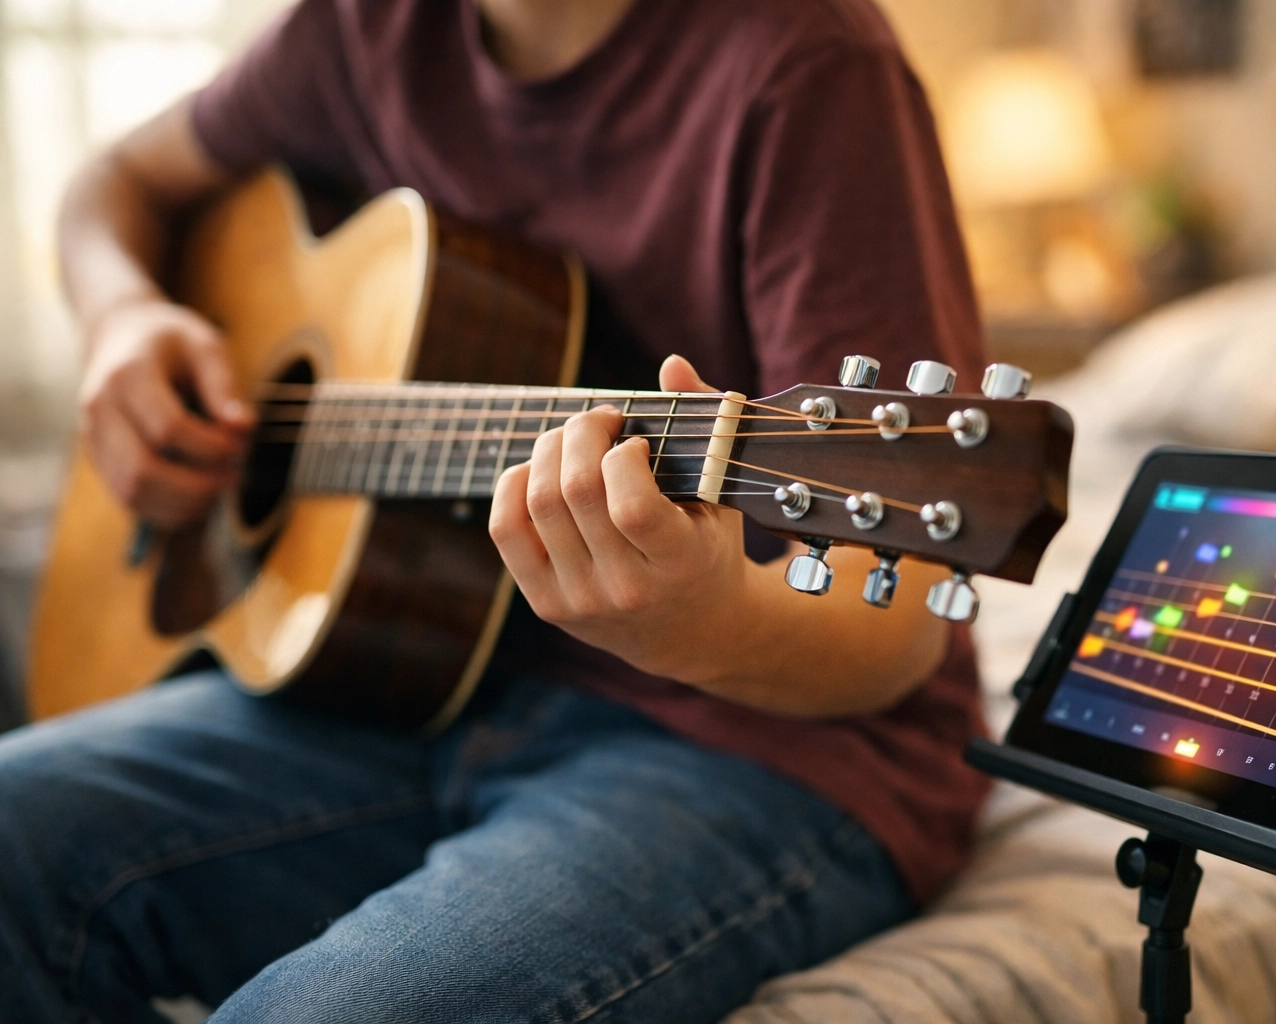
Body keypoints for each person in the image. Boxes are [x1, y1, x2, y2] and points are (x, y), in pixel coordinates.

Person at [0, 0, 989, 1020]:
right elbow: (111, 186)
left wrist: (702, 622)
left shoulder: (806, 61)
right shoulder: (360, 29)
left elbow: (902, 624)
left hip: (761, 747)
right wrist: (124, 316)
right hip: (404, 686)